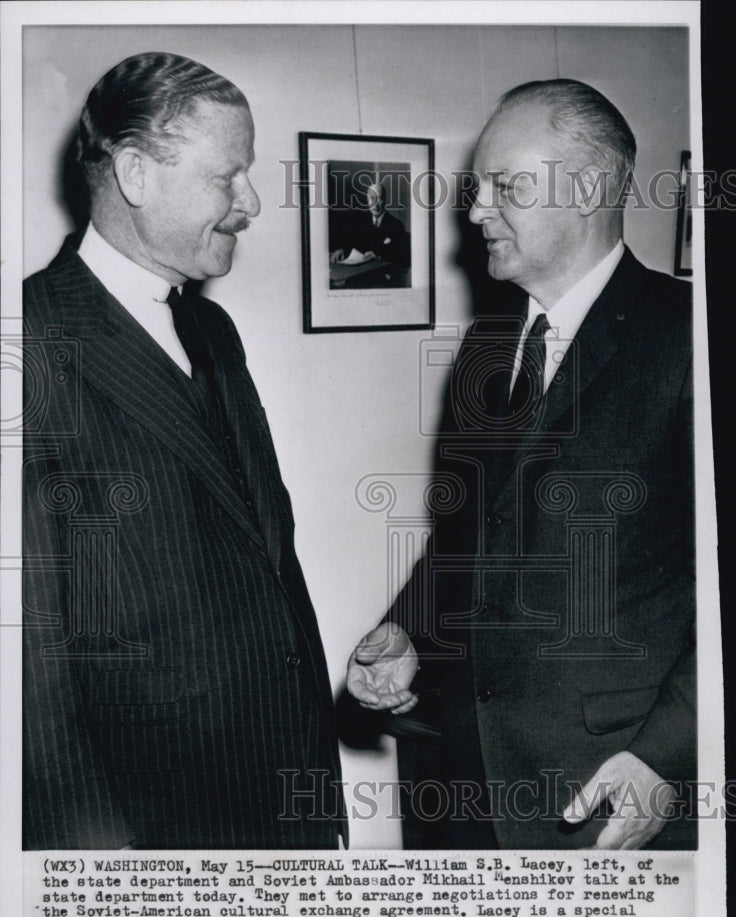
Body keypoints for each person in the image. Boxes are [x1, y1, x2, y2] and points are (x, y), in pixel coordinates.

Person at [347, 79, 695, 850]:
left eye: (505, 186)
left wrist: (669, 756)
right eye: (478, 189)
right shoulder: (485, 346)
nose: (474, 212)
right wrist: (408, 634)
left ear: (590, 188)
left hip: (609, 789)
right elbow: (467, 538)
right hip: (456, 771)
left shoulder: (688, 341)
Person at [23, 52, 344, 850]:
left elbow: (266, 562)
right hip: (152, 829)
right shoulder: (24, 341)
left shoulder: (211, 327)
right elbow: (26, 650)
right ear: (135, 171)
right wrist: (96, 864)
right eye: (226, 177)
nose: (253, 203)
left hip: (284, 797)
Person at [330, 181, 410, 277]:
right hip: (360, 273)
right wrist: (342, 250)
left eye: (379, 198)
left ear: (385, 200)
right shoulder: (361, 221)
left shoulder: (396, 225)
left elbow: (400, 256)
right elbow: (352, 241)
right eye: (371, 198)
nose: (375, 204)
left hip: (384, 276)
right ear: (367, 200)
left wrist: (379, 256)